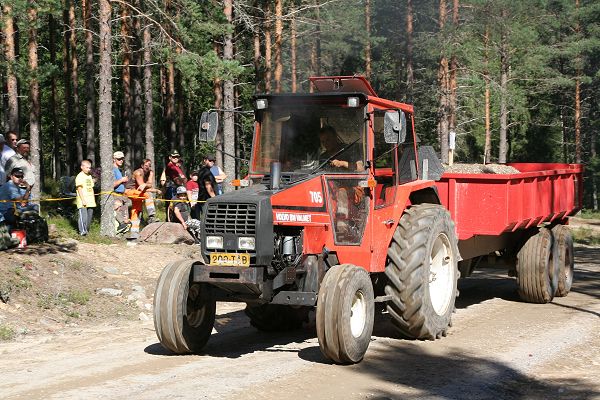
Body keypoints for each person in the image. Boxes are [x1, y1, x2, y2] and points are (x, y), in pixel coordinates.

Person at [125, 159, 160, 235]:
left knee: (136, 211)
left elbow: (148, 185)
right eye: (146, 165)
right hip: (130, 191)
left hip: (138, 193)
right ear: (142, 166)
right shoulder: (138, 173)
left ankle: (134, 233)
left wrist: (155, 190)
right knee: (148, 196)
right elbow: (143, 186)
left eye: (149, 166)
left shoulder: (149, 173)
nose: (148, 167)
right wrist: (147, 185)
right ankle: (151, 216)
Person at [75, 160, 96, 236]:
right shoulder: (79, 176)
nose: (88, 169)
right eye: (87, 167)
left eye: (89, 168)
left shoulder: (89, 176)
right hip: (83, 201)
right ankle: (82, 232)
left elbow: (91, 188)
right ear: (82, 167)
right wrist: (83, 200)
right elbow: (79, 189)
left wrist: (93, 199)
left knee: (89, 218)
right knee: (83, 217)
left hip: (91, 201)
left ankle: (86, 230)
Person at [112, 151, 131, 234]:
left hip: (122, 195)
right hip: (115, 195)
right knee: (119, 217)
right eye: (119, 159)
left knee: (126, 219)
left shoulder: (119, 170)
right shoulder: (112, 170)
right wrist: (122, 180)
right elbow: (111, 184)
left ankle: (123, 235)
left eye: (122, 159)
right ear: (114, 159)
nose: (121, 161)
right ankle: (116, 234)